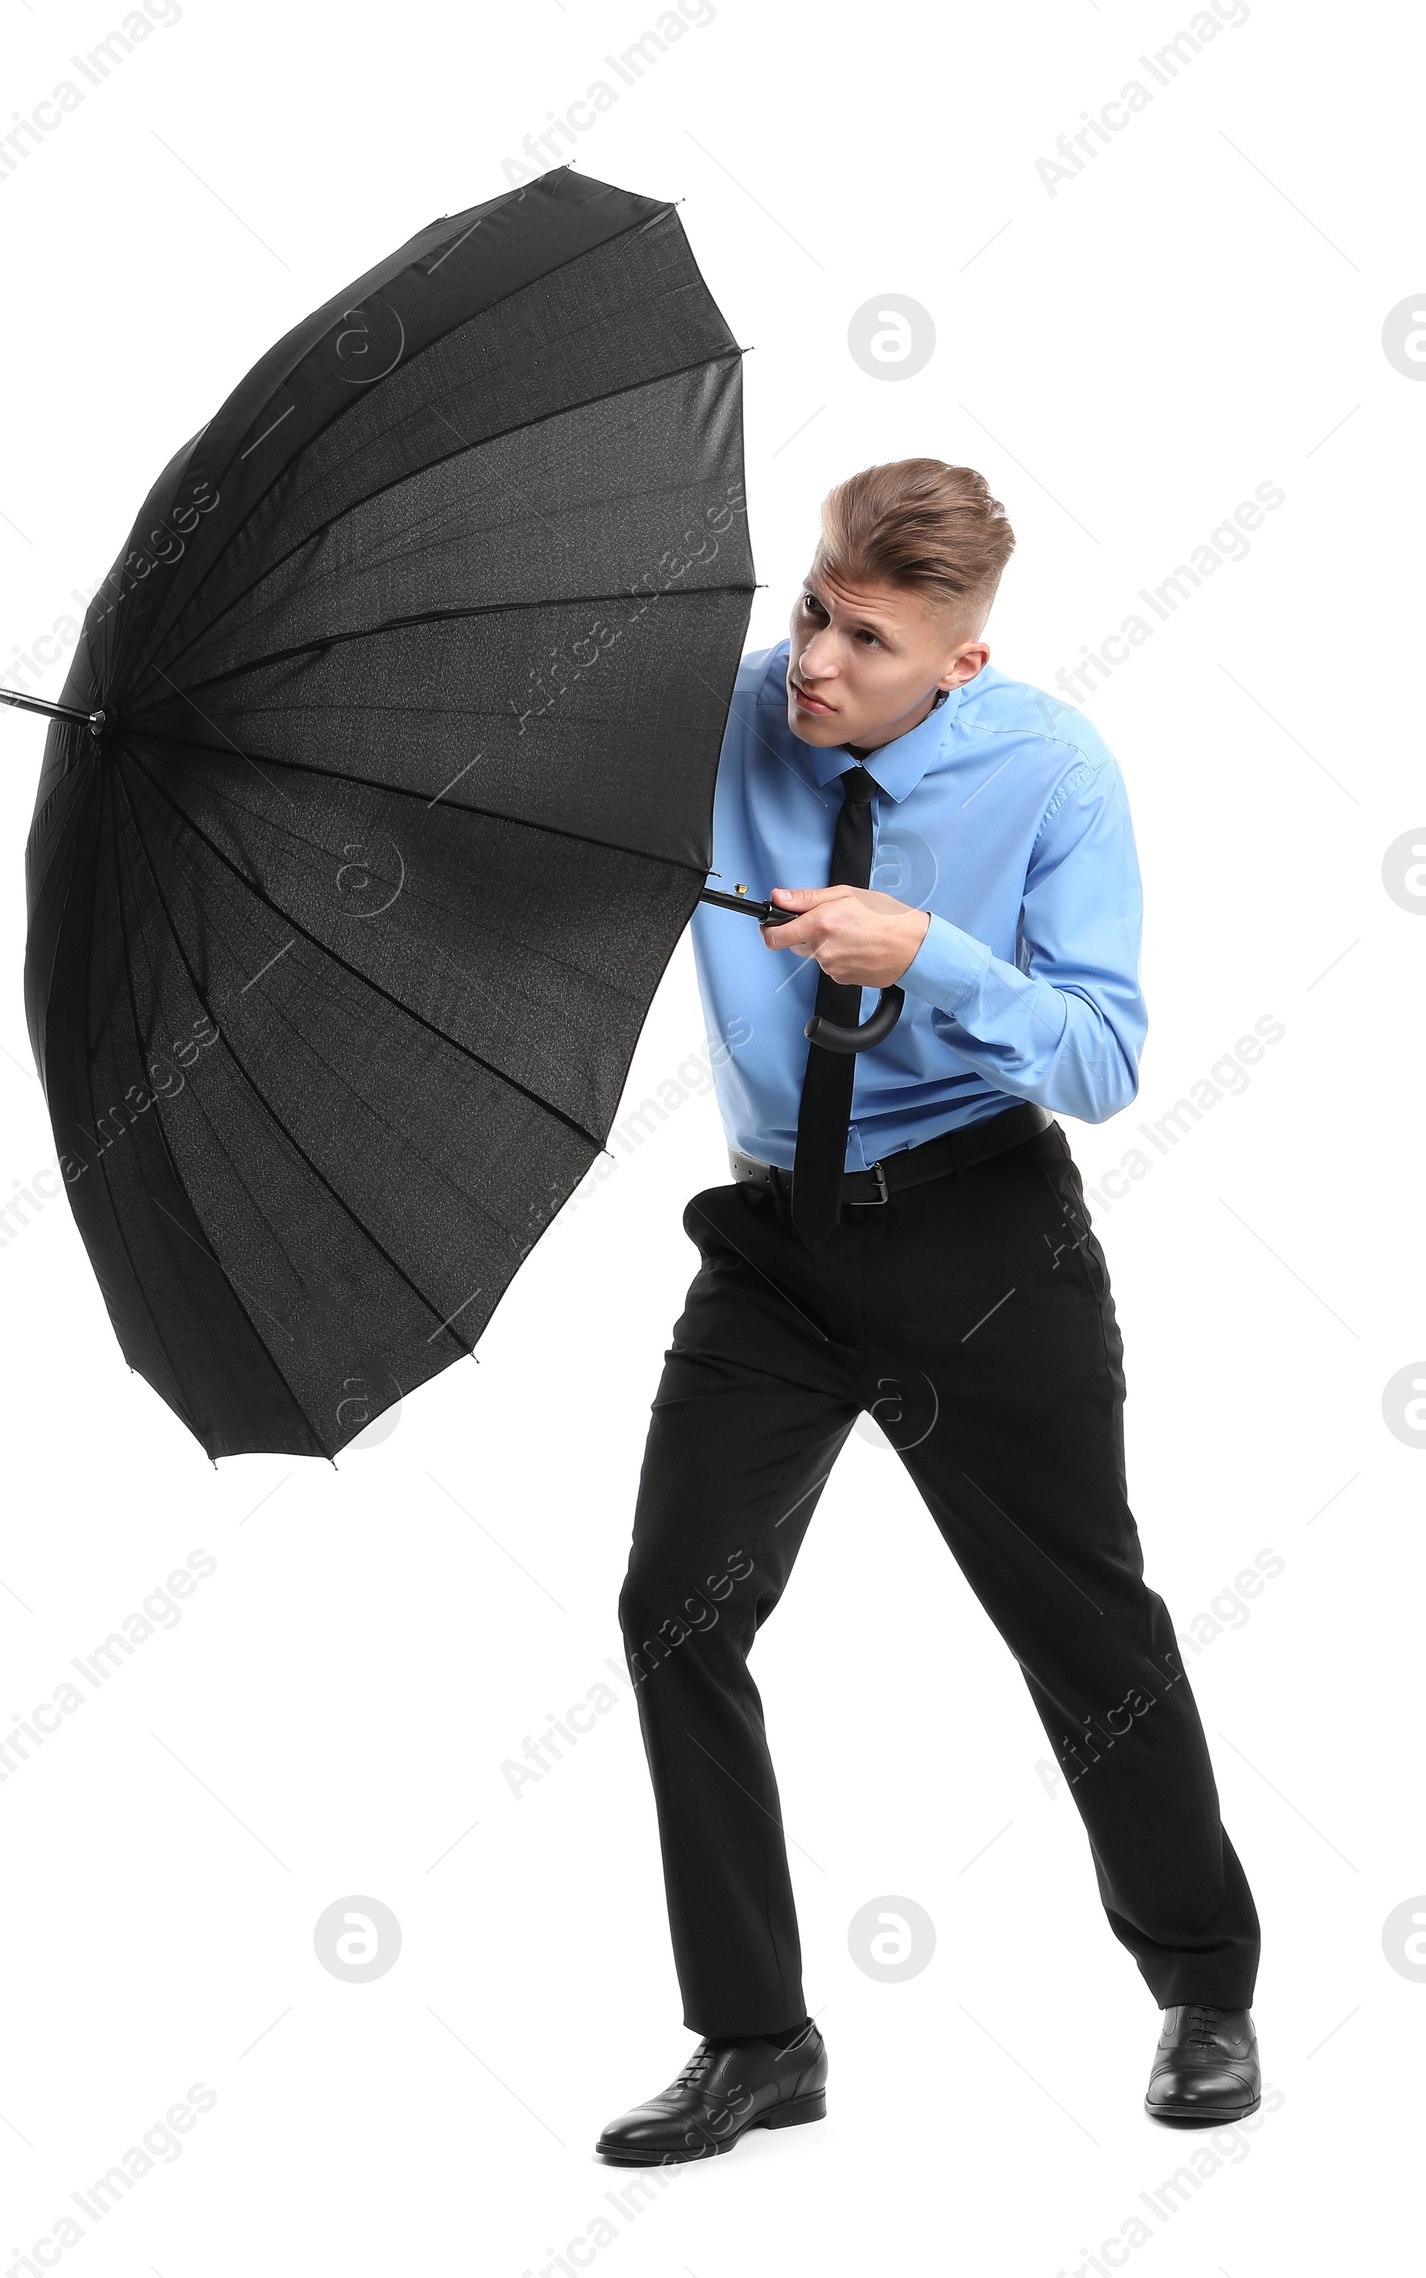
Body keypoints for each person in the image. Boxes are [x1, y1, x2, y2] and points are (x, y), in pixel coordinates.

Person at [596, 459, 1261, 2166]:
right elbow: (529, 789)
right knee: (675, 1605)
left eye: (867, 640)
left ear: (956, 664)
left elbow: (1106, 1058)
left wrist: (933, 956)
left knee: (1084, 1625)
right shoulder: (728, 715)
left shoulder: (1048, 769)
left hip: (983, 1235)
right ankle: (755, 2040)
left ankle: (1203, 1982)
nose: (814, 659)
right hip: (774, 1244)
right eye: (815, 609)